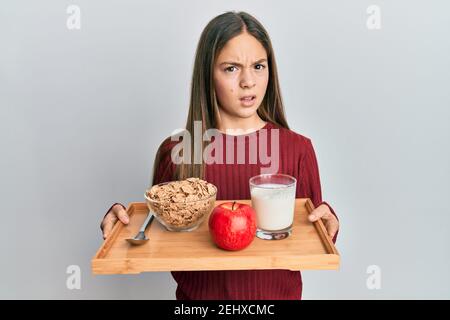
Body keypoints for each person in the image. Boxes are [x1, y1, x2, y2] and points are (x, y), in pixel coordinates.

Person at [100, 11, 339, 300]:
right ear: (208, 74)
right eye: (231, 68)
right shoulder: (176, 152)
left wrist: (329, 222)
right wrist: (122, 223)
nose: (248, 81)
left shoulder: (298, 149)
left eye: (259, 66)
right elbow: (156, 231)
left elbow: (307, 236)